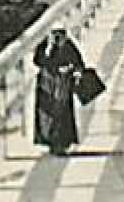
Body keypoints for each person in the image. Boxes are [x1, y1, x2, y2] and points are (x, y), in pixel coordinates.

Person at [34, 24, 86, 155]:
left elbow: (78, 63)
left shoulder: (68, 46)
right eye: (54, 33)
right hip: (47, 84)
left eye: (60, 33)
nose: (57, 37)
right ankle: (50, 141)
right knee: (46, 115)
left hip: (62, 84)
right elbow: (38, 61)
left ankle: (61, 143)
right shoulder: (45, 46)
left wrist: (70, 70)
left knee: (61, 113)